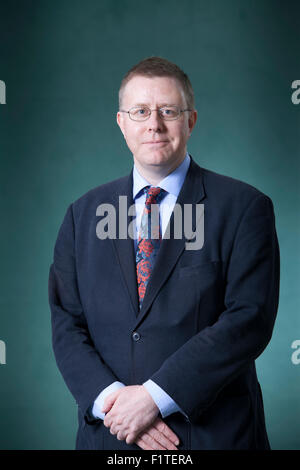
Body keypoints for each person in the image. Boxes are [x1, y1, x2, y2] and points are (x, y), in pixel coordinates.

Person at [48, 56, 280, 450]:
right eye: (140, 112)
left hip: (212, 436)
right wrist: (113, 404)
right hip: (111, 436)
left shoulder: (244, 208)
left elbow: (249, 319)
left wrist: (155, 398)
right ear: (122, 123)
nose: (154, 124)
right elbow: (67, 324)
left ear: (190, 121)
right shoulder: (81, 215)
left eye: (168, 111)